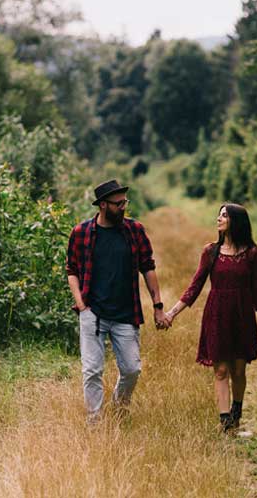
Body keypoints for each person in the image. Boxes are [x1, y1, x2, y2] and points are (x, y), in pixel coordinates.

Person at [66, 179, 169, 425]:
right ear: (103, 205)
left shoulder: (135, 230)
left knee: (132, 370)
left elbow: (148, 268)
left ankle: (120, 407)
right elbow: (72, 270)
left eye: (125, 202)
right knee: (92, 370)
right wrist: (80, 304)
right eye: (118, 203)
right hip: (93, 311)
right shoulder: (81, 233)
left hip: (125, 312)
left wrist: (158, 306)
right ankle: (95, 423)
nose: (124, 207)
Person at [165, 203, 257, 433]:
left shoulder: (251, 252)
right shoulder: (210, 251)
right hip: (217, 315)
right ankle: (225, 423)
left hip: (242, 315)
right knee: (220, 370)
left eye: (224, 216)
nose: (218, 219)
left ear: (236, 221)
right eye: (219, 215)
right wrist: (172, 313)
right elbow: (195, 286)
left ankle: (237, 411)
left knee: (238, 371)